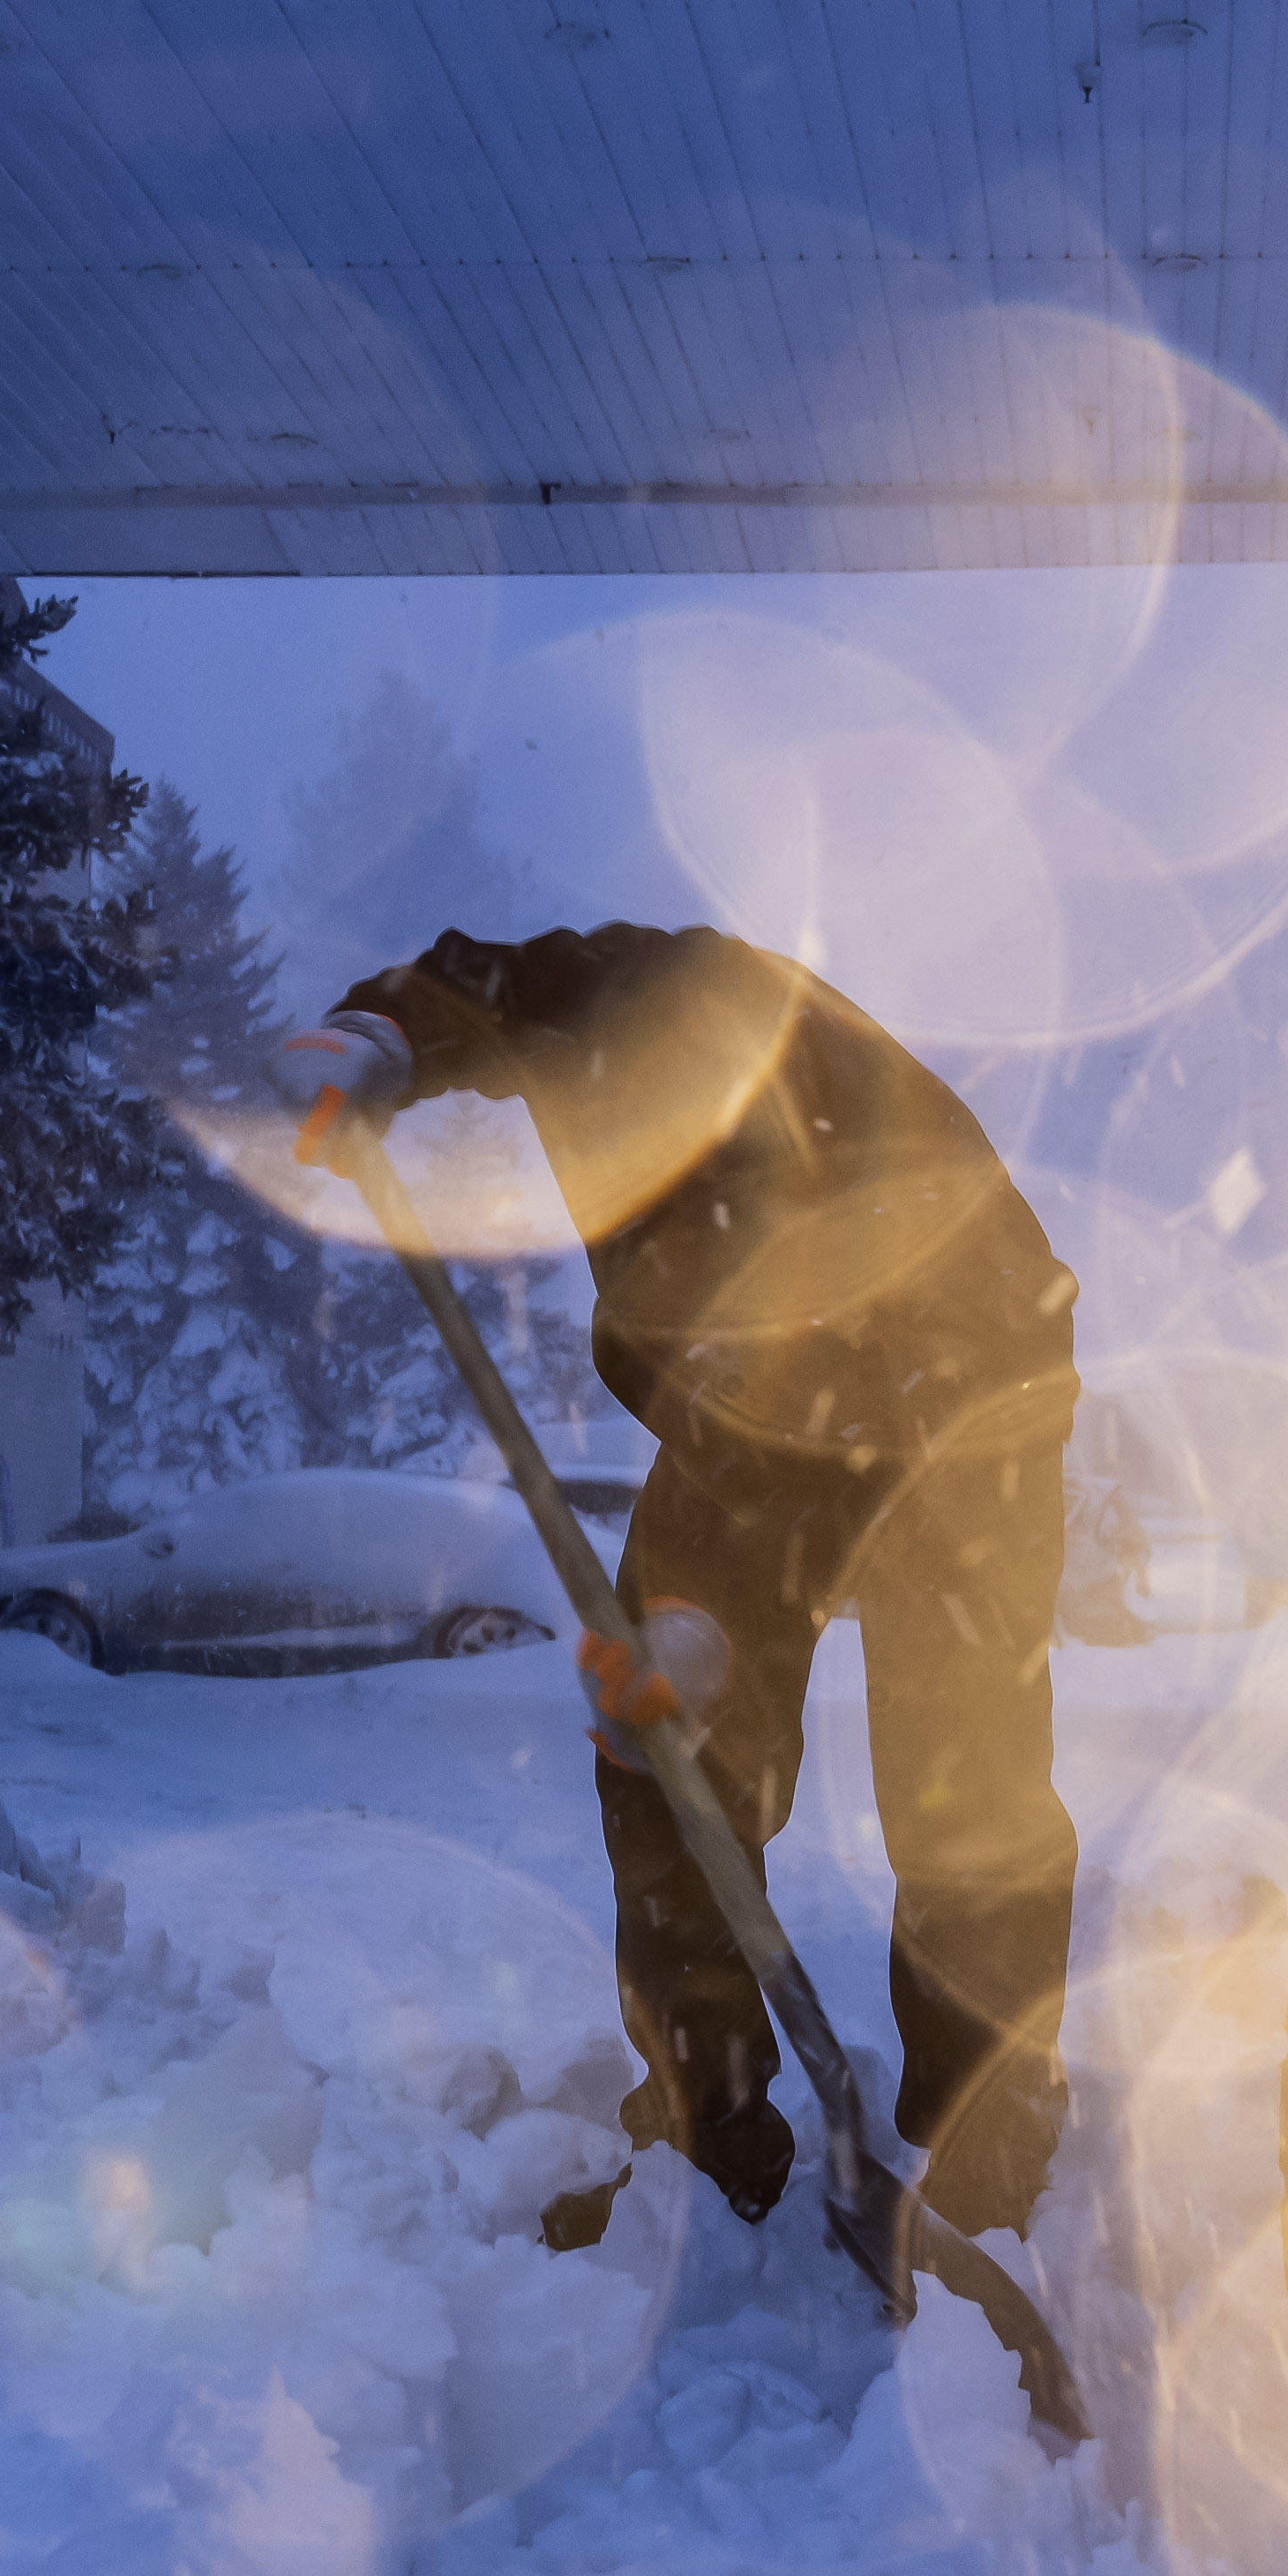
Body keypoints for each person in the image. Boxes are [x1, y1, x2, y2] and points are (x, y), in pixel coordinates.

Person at [323, 921, 1080, 2235]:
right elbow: (474, 980)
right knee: (660, 1757)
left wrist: (722, 1609)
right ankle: (707, 2126)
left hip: (965, 1400)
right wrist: (371, 1037)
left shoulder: (761, 1060)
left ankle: (992, 2144)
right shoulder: (601, 992)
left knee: (966, 1784)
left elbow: (855, 1307)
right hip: (747, 1416)